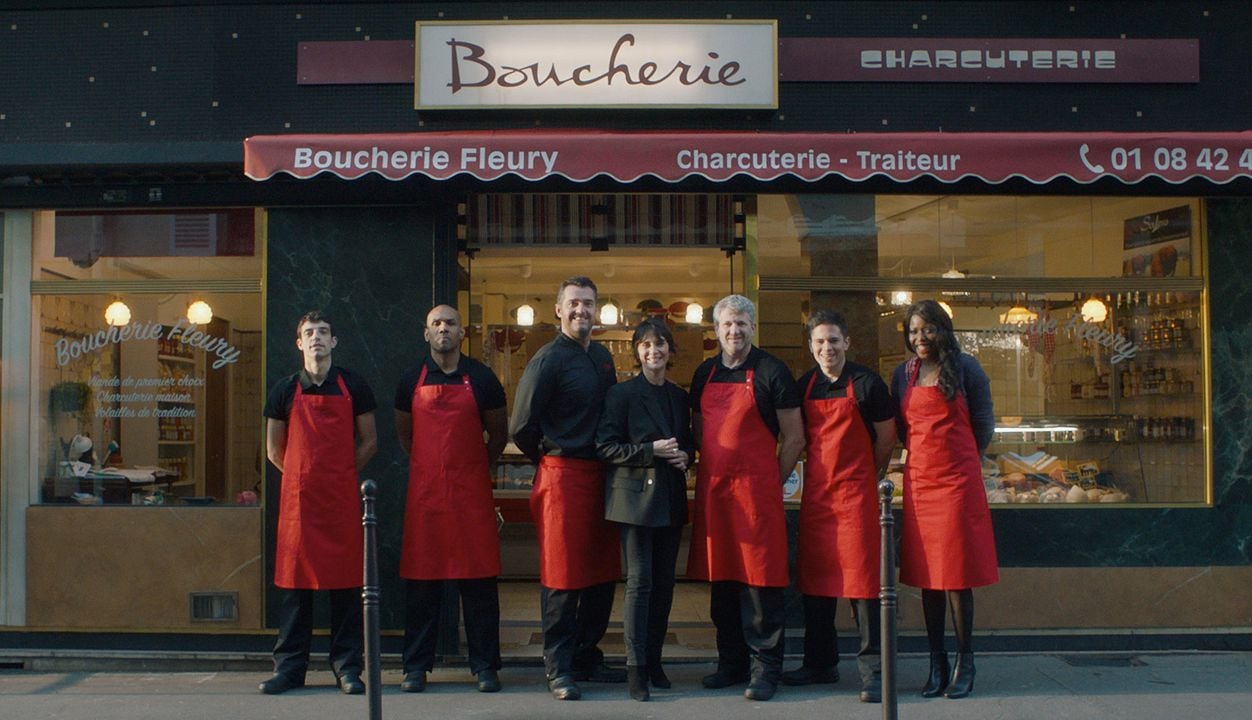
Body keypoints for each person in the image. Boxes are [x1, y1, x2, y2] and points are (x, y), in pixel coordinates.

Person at [510, 276, 623, 701]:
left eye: (588, 304)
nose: (581, 311)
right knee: (562, 577)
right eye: (573, 303)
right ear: (558, 310)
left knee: (600, 574)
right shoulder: (547, 360)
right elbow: (522, 426)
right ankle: (558, 667)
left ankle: (587, 656)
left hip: (602, 476)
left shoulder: (603, 357)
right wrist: (548, 455)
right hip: (562, 475)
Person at [688, 294, 804, 702]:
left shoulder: (772, 371)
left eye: (741, 324)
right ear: (716, 330)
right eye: (727, 325)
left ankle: (765, 668)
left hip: (757, 495)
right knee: (722, 584)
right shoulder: (704, 373)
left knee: (761, 587)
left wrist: (773, 479)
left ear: (752, 327)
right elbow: (701, 430)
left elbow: (794, 436)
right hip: (717, 494)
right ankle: (731, 663)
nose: (734, 332)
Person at [260, 311, 378, 695]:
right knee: (295, 591)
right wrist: (300, 476)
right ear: (299, 343)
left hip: (341, 500)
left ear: (334, 341)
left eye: (323, 332)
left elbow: (370, 441)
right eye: (309, 333)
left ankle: (348, 669)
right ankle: (290, 669)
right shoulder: (283, 390)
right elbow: (273, 449)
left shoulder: (354, 386)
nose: (316, 338)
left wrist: (341, 473)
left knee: (346, 588)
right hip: (299, 504)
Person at [394, 304, 508, 694]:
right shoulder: (410, 379)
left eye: (450, 323)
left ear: (463, 332)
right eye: (436, 324)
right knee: (422, 587)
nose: (444, 329)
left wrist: (472, 468)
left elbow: (498, 433)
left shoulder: (483, 378)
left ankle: (486, 666)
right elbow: (405, 436)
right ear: (426, 334)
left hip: (470, 495)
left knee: (478, 585)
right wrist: (432, 469)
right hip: (426, 497)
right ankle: (415, 667)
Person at [784, 310, 897, 703]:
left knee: (865, 588)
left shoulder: (868, 384)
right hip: (817, 500)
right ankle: (820, 664)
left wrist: (869, 471)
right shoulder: (805, 385)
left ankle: (874, 672)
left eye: (833, 341)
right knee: (815, 586)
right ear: (811, 346)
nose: (827, 348)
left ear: (847, 342)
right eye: (819, 342)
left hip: (856, 498)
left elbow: (887, 437)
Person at [890, 299, 998, 700]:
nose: (920, 338)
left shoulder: (967, 368)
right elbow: (904, 428)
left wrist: (963, 461)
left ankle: (964, 659)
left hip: (957, 483)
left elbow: (984, 424)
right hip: (921, 485)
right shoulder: (903, 374)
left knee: (955, 576)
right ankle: (936, 661)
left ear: (943, 330)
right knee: (927, 578)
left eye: (928, 329)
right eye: (914, 331)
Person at [596, 318, 694, 702]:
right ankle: (635, 668)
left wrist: (687, 455)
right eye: (646, 345)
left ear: (670, 351)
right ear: (637, 352)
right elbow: (605, 446)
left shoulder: (678, 396)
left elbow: (687, 444)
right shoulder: (621, 395)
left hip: (669, 497)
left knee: (665, 585)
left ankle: (654, 661)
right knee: (640, 584)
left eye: (660, 345)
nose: (654, 352)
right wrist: (648, 451)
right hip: (634, 501)